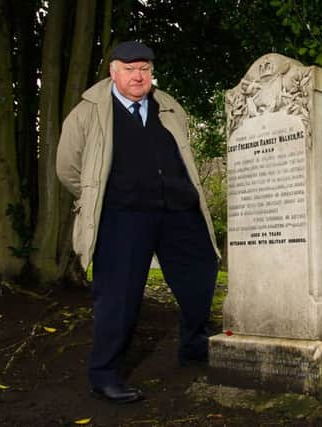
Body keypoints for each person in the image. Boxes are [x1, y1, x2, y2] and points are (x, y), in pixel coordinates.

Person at [56, 41, 219, 404]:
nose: (138, 75)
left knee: (202, 274)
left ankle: (193, 343)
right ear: (113, 71)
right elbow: (67, 168)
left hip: (177, 210)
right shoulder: (88, 112)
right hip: (122, 215)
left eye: (144, 67)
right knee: (118, 296)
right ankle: (105, 375)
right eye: (129, 68)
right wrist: (98, 194)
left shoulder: (169, 105)